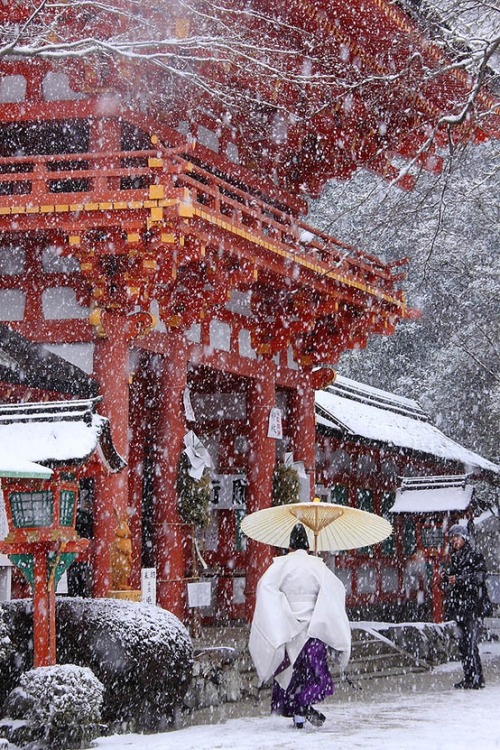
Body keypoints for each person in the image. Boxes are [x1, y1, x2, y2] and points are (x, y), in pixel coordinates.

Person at [248, 522, 351, 729]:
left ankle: (299, 715)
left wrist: (281, 613)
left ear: (290, 546)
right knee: (314, 676)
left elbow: (265, 588)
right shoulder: (318, 566)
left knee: (291, 677)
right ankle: (304, 705)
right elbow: (336, 590)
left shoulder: (280, 566)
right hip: (313, 630)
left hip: (289, 631)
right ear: (308, 546)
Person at [443, 524, 488, 690]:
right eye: (452, 537)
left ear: (464, 538)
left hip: (473, 606)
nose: (454, 540)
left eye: (457, 537)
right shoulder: (454, 558)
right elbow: (450, 581)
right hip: (459, 607)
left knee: (470, 644)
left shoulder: (475, 556)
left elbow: (480, 576)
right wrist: (446, 579)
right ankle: (469, 677)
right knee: (463, 645)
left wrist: (460, 579)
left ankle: (477, 678)